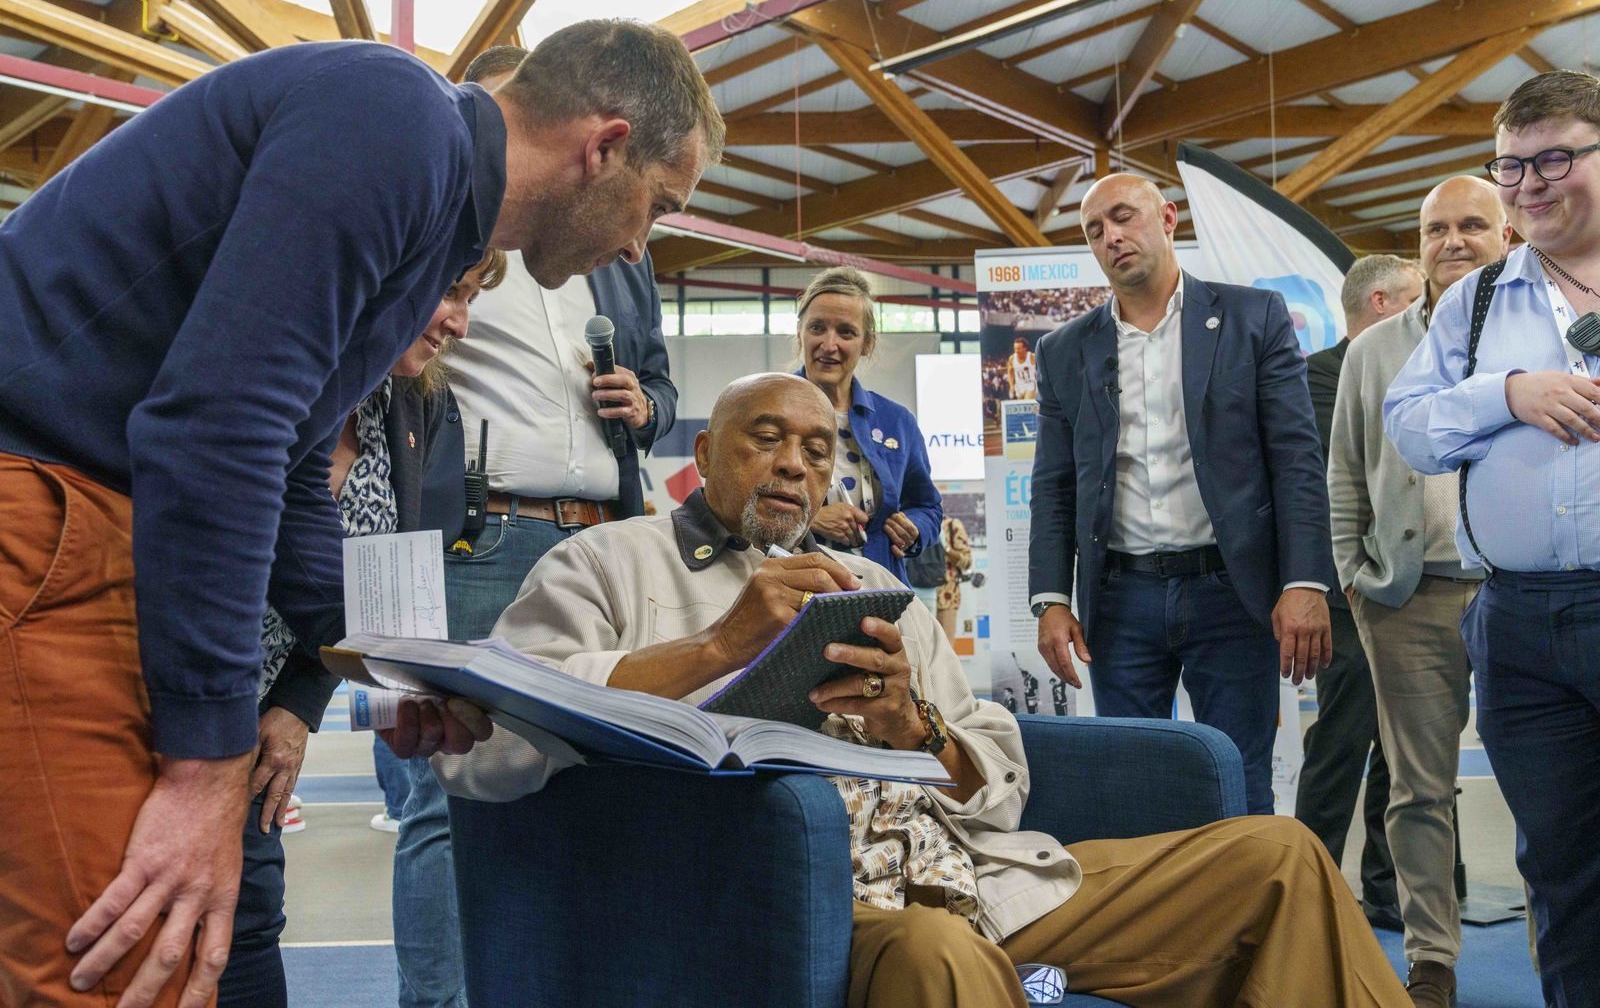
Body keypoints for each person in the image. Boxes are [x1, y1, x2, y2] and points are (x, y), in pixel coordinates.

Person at [0, 18, 721, 1006]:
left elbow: (294, 464)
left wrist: (393, 663)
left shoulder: (431, 215)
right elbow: (213, 432)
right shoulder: (396, 121)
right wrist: (207, 764)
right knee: (130, 959)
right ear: (605, 147)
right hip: (40, 498)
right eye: (659, 205)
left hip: (81, 510)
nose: (641, 243)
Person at [426, 372, 1410, 1008]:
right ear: (707, 456)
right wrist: (720, 645)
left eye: (817, 450)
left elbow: (996, 775)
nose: (794, 462)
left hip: (978, 877)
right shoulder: (607, 561)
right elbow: (498, 743)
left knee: (1276, 855)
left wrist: (912, 720)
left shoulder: (868, 589)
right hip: (799, 897)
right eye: (765, 437)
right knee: (937, 955)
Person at [392, 44, 679, 1008]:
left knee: (608, 785)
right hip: (480, 540)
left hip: (608, 538)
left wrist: (648, 404)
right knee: (449, 794)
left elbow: (666, 383)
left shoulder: (621, 258)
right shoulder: (445, 227)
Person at [222, 252, 502, 1008]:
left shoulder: (410, 404)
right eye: (450, 290)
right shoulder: (273, 371)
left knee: (249, 913)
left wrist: (297, 704)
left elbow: (365, 586)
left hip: (260, 698)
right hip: (166, 683)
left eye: (473, 298)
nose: (460, 322)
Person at [1386, 70, 1600, 1008]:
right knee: (1559, 865)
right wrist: (1506, 393)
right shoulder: (1474, 305)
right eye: (1511, 166)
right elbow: (1410, 425)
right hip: (1516, 624)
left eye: (1556, 157)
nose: (1529, 184)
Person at [1028, 174, 1337, 815]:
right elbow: (1055, 484)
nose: (1112, 237)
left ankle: (1248, 913)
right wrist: (1052, 598)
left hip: (1232, 593)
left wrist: (1305, 579)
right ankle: (1161, 914)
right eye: (1095, 230)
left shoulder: (1254, 317)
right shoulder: (1063, 351)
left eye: (1124, 217)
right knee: (1132, 782)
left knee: (1240, 776)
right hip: (1120, 602)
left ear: (1167, 219)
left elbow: (1297, 459)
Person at [1334, 186, 1507, 1008]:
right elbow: (1343, 473)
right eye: (1436, 228)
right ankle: (1431, 959)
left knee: (1551, 785)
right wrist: (1354, 577)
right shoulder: (1375, 352)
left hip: (1522, 592)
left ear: (1505, 231)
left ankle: (1565, 947)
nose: (1454, 240)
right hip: (1407, 599)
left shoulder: (1545, 332)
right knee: (1417, 793)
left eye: (1472, 224)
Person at [1298, 254, 1420, 943]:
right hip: (1346, 596)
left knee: (1403, 754)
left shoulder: (1419, 371)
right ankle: (1308, 888)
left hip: (1413, 592)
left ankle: (1386, 892)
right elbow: (1332, 487)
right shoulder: (1317, 377)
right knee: (1341, 746)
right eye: (1414, 300)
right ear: (1380, 302)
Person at [796, 267, 942, 586]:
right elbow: (735, 505)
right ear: (800, 334)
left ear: (866, 344)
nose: (829, 344)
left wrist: (914, 528)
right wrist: (811, 519)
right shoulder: (763, 408)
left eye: (846, 332)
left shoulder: (897, 421)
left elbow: (927, 506)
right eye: (817, 328)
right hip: (792, 591)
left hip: (880, 591)